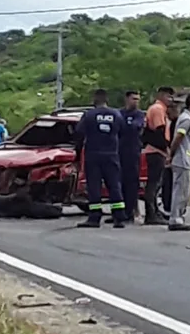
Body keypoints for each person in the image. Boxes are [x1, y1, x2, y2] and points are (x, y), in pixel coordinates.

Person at [75, 89, 126, 228]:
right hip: (112, 154)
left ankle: (95, 217)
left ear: (94, 100)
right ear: (106, 99)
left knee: (94, 186)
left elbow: (79, 133)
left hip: (93, 154)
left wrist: (78, 151)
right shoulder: (116, 114)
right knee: (114, 185)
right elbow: (123, 132)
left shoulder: (89, 115)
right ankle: (119, 217)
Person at [167, 93, 190, 231]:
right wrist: (171, 154)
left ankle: (178, 216)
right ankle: (175, 218)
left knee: (182, 191)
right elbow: (179, 137)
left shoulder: (187, 119)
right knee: (180, 191)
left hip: (185, 160)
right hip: (182, 160)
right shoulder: (186, 120)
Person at [142, 86, 175, 225]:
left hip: (157, 151)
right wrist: (167, 149)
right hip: (156, 151)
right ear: (161, 95)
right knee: (153, 184)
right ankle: (151, 214)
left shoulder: (161, 110)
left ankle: (155, 211)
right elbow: (158, 132)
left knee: (156, 184)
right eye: (168, 96)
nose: (171, 100)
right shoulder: (157, 109)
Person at [118, 90, 146, 222]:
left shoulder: (139, 114)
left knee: (132, 184)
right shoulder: (119, 113)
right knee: (118, 183)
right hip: (118, 152)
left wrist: (125, 126)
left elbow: (136, 126)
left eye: (138, 99)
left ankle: (130, 212)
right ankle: (119, 213)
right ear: (127, 99)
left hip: (133, 153)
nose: (136, 101)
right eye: (133, 98)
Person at [162, 102, 180, 217]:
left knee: (171, 183)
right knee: (167, 182)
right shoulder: (170, 122)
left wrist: (170, 154)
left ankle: (170, 207)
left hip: (174, 156)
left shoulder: (177, 123)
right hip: (169, 155)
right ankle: (168, 207)